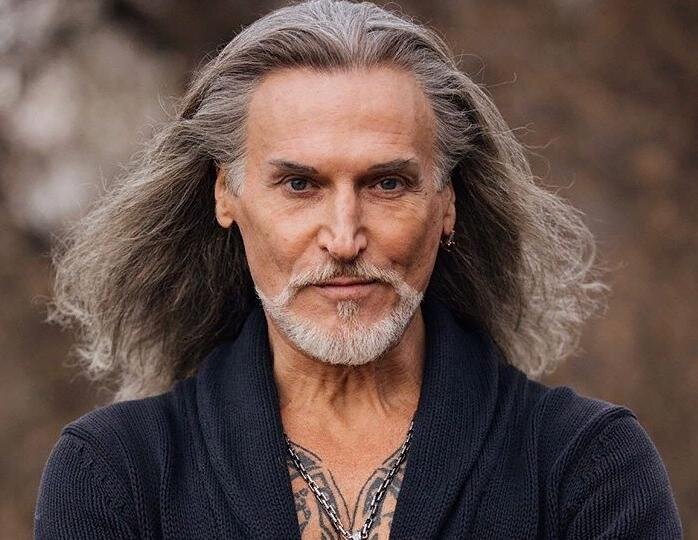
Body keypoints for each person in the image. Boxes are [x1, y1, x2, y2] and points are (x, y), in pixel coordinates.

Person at [34, 0, 682, 538]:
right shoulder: (116, 476)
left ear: (448, 202)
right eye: (299, 185)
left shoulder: (586, 468)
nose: (344, 239)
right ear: (225, 196)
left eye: (387, 184)